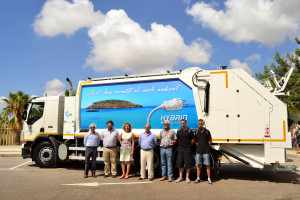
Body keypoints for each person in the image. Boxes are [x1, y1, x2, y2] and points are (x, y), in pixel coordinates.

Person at [176, 119, 195, 183]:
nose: (182, 124)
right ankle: (180, 177)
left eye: (184, 123)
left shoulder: (190, 131)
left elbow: (193, 140)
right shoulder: (178, 131)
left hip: (187, 149)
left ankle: (187, 177)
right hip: (180, 149)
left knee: (187, 164)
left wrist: (189, 145)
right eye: (181, 123)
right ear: (180, 124)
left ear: (186, 123)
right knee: (180, 163)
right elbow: (178, 139)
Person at [194, 119, 213, 185]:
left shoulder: (207, 132)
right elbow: (196, 142)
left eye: (201, 124)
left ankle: (209, 179)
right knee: (198, 165)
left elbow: (210, 141)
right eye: (199, 124)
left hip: (206, 151)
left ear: (203, 124)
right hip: (198, 151)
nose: (200, 125)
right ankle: (198, 178)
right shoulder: (196, 132)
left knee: (207, 165)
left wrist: (206, 146)